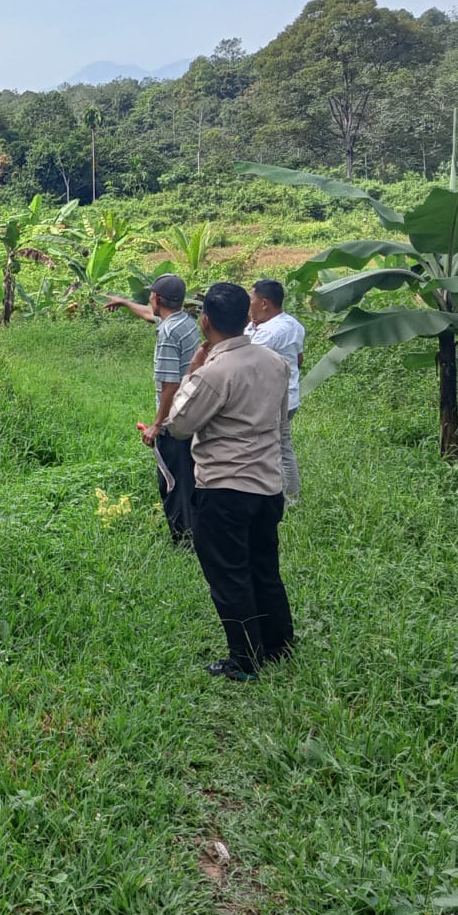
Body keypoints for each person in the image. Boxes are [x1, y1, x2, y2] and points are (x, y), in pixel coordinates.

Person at [160, 282, 297, 682]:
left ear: (205, 321)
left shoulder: (214, 373)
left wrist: (193, 371)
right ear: (247, 316)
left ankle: (245, 659)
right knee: (264, 567)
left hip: (224, 489)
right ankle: (278, 644)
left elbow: (180, 427)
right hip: (267, 486)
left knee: (229, 575)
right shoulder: (274, 362)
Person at [104, 273, 200, 544]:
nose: (149, 300)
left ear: (157, 297)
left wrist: (158, 424)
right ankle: (197, 529)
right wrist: (123, 302)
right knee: (189, 475)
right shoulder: (185, 321)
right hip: (191, 412)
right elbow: (149, 314)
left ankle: (185, 541)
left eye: (151, 295)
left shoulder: (168, 333)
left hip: (175, 418)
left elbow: (169, 383)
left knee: (172, 481)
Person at [246, 279, 305, 503]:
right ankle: (283, 494)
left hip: (273, 401)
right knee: (277, 447)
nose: (248, 305)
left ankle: (288, 498)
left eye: (251, 300)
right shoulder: (292, 324)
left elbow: (244, 360)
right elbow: (299, 359)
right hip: (287, 397)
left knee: (278, 449)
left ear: (264, 303)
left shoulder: (270, 333)